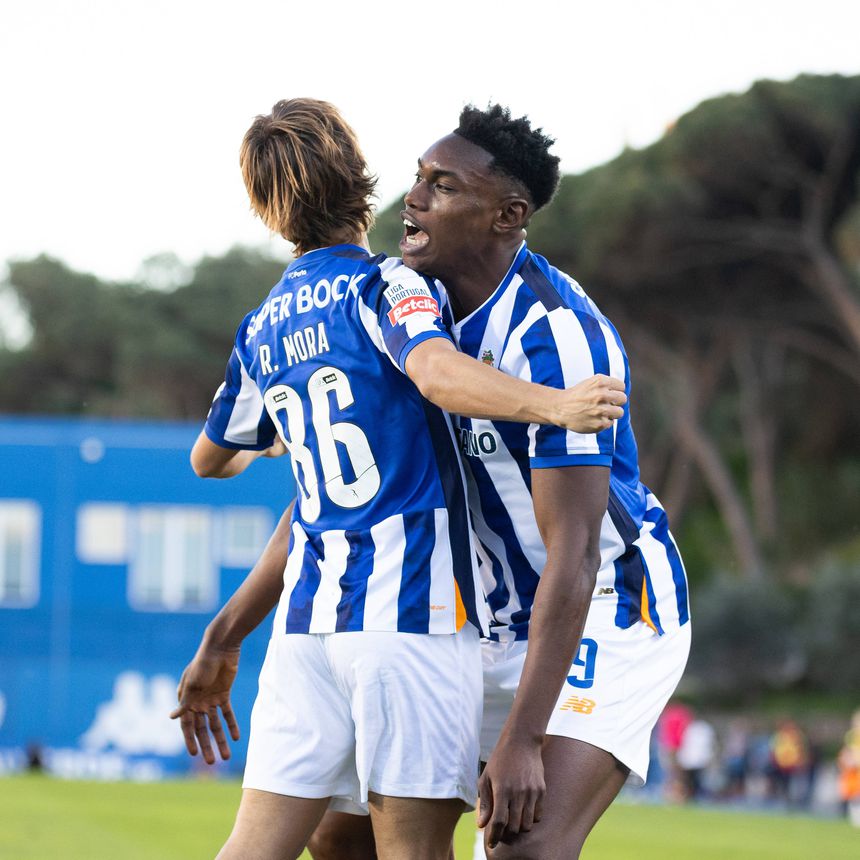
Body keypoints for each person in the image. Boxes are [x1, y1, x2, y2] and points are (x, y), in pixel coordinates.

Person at [171, 98, 626, 860]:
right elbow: (437, 371)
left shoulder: (263, 326)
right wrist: (555, 405)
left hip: (307, 624)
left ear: (266, 209)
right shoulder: (387, 286)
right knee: (413, 851)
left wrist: (286, 436)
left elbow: (208, 459)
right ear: (364, 181)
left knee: (256, 849)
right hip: (406, 614)